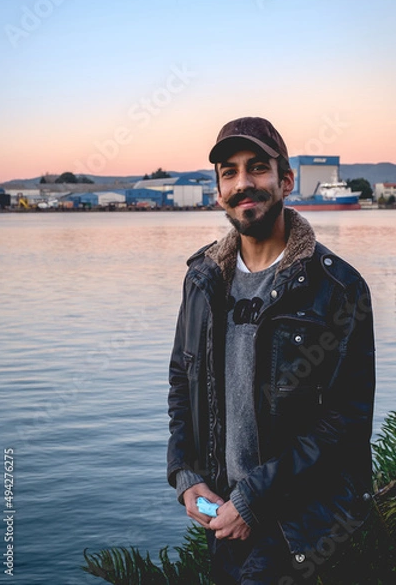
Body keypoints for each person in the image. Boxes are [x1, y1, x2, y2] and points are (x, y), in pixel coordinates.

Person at [167, 117, 376, 584]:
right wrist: (185, 474)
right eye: (229, 172)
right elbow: (182, 379)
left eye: (257, 168)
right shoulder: (202, 279)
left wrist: (254, 499)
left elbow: (346, 419)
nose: (243, 183)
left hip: (299, 528)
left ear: (285, 180)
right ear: (218, 190)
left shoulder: (337, 288)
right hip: (222, 519)